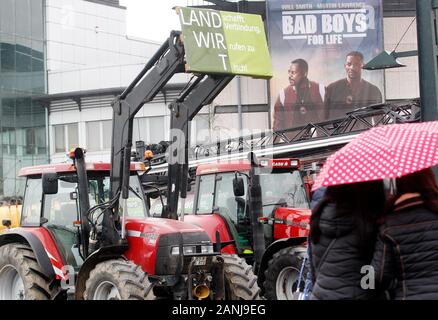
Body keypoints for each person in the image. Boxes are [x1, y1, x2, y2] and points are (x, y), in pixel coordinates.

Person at [309, 180, 385, 300]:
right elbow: (376, 275)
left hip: (320, 294)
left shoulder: (319, 215)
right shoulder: (366, 221)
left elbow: (313, 270)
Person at [371, 168, 438, 299]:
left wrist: (364, 279)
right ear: (429, 179)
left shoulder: (389, 224)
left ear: (399, 183)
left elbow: (378, 275)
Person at [324, 51, 382, 120]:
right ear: (345, 66)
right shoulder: (332, 89)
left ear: (362, 66)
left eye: (356, 64)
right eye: (349, 64)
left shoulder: (374, 90)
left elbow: (379, 121)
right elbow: (324, 118)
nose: (352, 67)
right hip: (340, 130)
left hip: (364, 130)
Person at [272, 59, 324, 131]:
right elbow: (277, 126)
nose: (289, 76)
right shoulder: (283, 95)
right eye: (289, 72)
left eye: (293, 72)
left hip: (319, 140)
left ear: (304, 73)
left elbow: (327, 117)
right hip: (294, 141)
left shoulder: (320, 89)